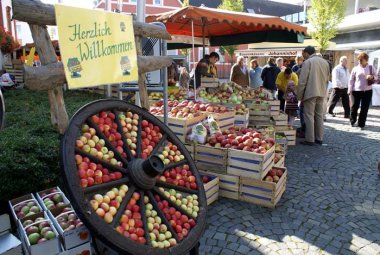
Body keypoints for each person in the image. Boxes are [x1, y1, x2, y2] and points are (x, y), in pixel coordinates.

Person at [297, 46, 330, 146]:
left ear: (307, 53)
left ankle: (310, 139)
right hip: (322, 92)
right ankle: (319, 138)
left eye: (303, 54)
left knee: (309, 116)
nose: (303, 56)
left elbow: (302, 81)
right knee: (319, 115)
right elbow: (327, 79)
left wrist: (299, 96)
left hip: (310, 92)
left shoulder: (308, 62)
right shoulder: (325, 62)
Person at [348, 52, 378, 129]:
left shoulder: (371, 67)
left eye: (361, 60)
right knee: (355, 106)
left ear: (366, 60)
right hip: (356, 91)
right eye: (359, 60)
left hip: (368, 91)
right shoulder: (355, 68)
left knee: (365, 108)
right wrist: (350, 89)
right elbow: (351, 80)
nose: (359, 61)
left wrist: (372, 77)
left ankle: (361, 123)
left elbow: (376, 77)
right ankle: (352, 120)